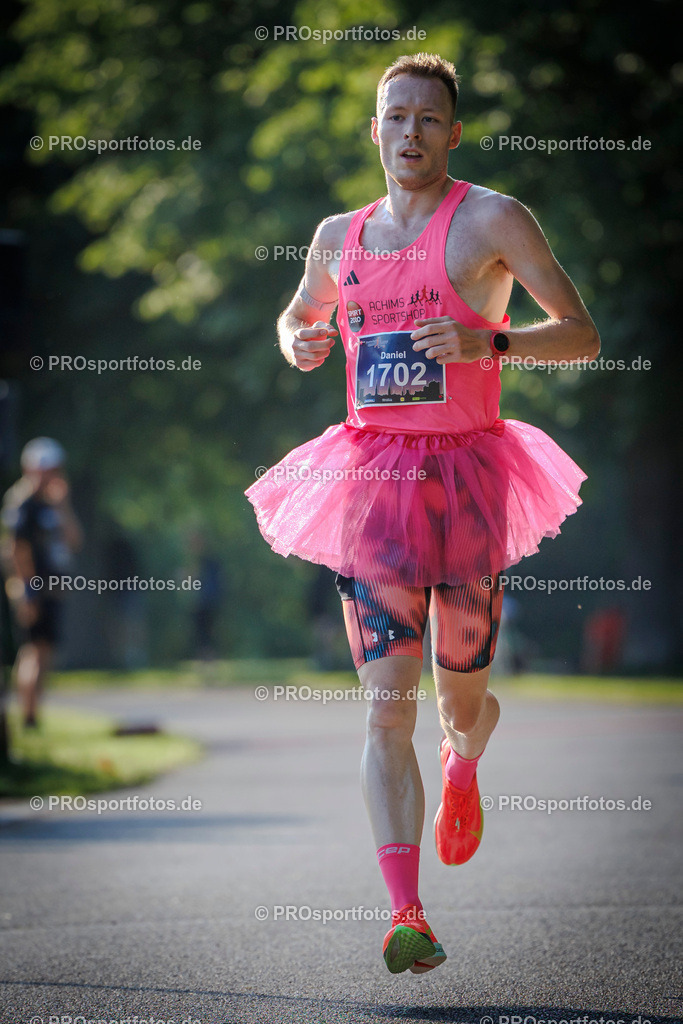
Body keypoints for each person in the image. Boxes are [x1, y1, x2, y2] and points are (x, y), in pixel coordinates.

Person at [245, 53, 599, 975]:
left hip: (469, 481)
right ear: (374, 130)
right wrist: (301, 340)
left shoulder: (491, 218)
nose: (409, 133)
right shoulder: (338, 234)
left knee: (461, 701)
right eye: (394, 116)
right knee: (382, 708)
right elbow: (295, 313)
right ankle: (407, 913)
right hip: (369, 489)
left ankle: (465, 763)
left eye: (427, 119)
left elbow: (582, 332)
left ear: (451, 131)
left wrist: (493, 337)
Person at [2, 437, 82, 727]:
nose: (55, 474)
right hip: (32, 591)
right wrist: (28, 593)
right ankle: (28, 716)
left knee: (45, 651)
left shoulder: (53, 502)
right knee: (33, 651)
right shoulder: (22, 502)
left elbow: (75, 542)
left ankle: (34, 714)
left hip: (53, 590)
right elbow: (17, 551)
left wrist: (64, 506)